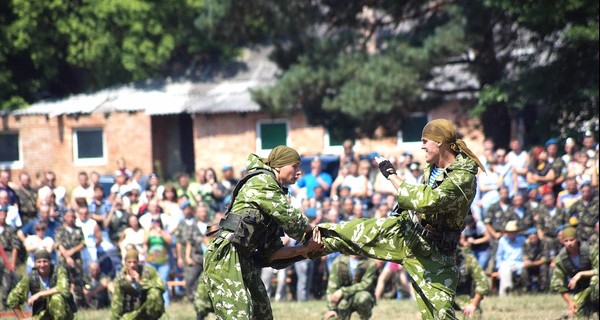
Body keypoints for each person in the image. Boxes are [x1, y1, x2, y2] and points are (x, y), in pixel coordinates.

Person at [314, 119, 484, 319]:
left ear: (439, 142)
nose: (421, 146)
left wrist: (391, 175)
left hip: (435, 253)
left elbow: (427, 200)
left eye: (424, 141)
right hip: (408, 233)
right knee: (355, 232)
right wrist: (400, 209)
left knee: (440, 314)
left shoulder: (463, 176)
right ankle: (310, 239)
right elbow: (416, 203)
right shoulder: (432, 168)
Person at [195, 145, 324, 320]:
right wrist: (317, 231)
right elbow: (294, 223)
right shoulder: (263, 182)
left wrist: (304, 249)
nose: (299, 172)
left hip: (243, 259)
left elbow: (273, 253)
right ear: (279, 166)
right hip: (225, 257)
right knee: (237, 316)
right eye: (295, 166)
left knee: (262, 314)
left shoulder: (273, 195)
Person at [7, 248, 76, 320]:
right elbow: (12, 298)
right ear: (34, 263)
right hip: (41, 314)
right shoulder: (31, 277)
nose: (42, 265)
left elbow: (64, 288)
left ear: (50, 262)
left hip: (63, 313)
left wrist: (39, 294)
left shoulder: (59, 271)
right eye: (39, 262)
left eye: (45, 261)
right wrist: (22, 318)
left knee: (56, 298)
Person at [550, 227, 599, 318]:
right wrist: (570, 302)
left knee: (596, 280)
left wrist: (580, 274)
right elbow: (558, 284)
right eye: (566, 241)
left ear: (577, 239)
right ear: (562, 242)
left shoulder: (590, 251)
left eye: (572, 240)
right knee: (576, 313)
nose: (569, 243)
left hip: (595, 285)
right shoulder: (561, 259)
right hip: (582, 289)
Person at [110, 248, 165, 320]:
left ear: (138, 262)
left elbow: (161, 287)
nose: (132, 265)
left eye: (134, 262)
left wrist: (141, 282)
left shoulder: (149, 272)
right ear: (125, 262)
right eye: (129, 262)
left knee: (155, 292)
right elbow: (116, 303)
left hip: (147, 311)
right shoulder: (121, 280)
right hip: (131, 314)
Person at [324, 254, 377, 320]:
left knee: (364, 298)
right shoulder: (339, 261)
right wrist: (331, 308)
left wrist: (343, 291)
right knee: (332, 318)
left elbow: (366, 284)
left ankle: (365, 318)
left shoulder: (370, 262)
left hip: (360, 295)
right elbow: (332, 286)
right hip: (342, 299)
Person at [54, 208, 86, 307]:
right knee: (64, 280)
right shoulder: (59, 230)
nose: (71, 218)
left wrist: (72, 251)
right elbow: (58, 244)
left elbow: (83, 243)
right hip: (64, 259)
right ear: (64, 217)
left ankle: (78, 304)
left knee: (77, 281)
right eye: (69, 216)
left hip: (76, 259)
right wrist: (67, 256)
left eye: (73, 217)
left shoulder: (78, 229)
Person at [452, 247, 490, 319]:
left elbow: (483, 283)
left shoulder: (468, 259)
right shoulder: (435, 260)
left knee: (474, 315)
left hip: (463, 296)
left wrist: (473, 304)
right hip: (442, 297)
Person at [495, 220, 526, 297]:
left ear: (516, 232)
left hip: (520, 263)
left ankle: (505, 293)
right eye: (509, 232)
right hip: (506, 263)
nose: (511, 233)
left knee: (505, 269)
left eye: (513, 231)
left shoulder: (522, 240)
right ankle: (507, 288)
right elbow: (499, 256)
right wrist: (498, 268)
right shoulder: (502, 241)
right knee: (504, 268)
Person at [0, 207, 19, 310]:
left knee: (7, 284)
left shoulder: (10, 229)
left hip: (6, 257)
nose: (2, 216)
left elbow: (15, 247)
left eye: (4, 214)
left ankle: (5, 308)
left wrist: (13, 262)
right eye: (1, 214)